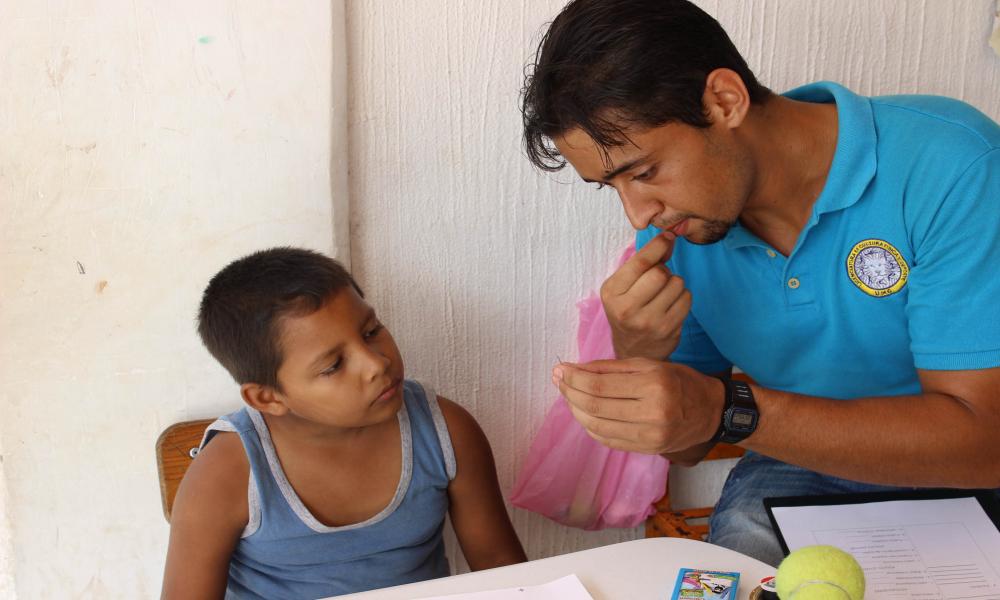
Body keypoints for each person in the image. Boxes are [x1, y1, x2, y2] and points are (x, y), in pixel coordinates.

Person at [522, 0, 1000, 566]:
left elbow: (985, 443)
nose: (637, 214)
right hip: (797, 464)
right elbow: (691, 446)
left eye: (644, 171)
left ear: (725, 100)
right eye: (611, 186)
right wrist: (642, 355)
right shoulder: (687, 233)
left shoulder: (950, 166)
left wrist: (730, 410)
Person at [161, 247, 526, 599]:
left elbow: (503, 571)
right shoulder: (227, 473)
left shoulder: (445, 431)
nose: (376, 364)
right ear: (268, 398)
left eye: (371, 332)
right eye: (333, 365)